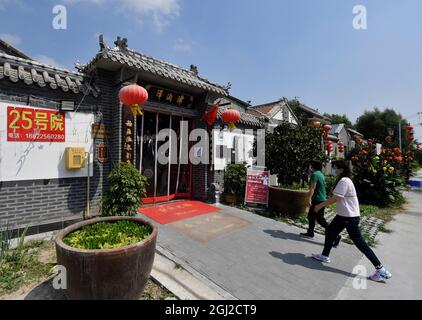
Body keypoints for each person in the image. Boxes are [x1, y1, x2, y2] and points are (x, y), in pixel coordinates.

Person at [312, 160, 392, 282]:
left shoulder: (344, 181)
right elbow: (337, 196)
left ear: (341, 169)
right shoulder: (344, 180)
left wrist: (320, 206)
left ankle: (380, 270)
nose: (333, 170)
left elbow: (336, 198)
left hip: (349, 218)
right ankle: (324, 255)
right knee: (330, 232)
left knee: (360, 243)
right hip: (343, 216)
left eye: (334, 168)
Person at [300, 160, 341, 247]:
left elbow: (313, 188)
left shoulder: (315, 175)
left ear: (312, 166)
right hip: (321, 198)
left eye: (310, 165)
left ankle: (335, 236)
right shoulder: (320, 174)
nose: (309, 167)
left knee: (320, 219)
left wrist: (309, 199)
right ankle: (310, 232)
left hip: (317, 199)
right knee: (311, 216)